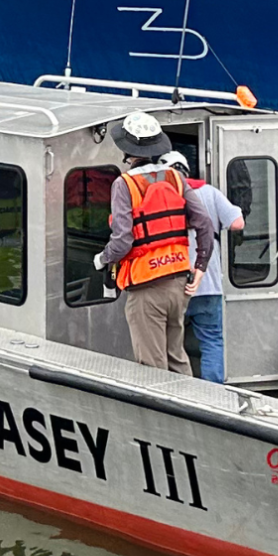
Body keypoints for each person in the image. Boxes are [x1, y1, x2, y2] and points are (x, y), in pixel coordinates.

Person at [96, 111, 213, 374]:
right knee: (177, 357)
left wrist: (102, 259)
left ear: (127, 149)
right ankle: (194, 407)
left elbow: (122, 240)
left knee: (153, 368)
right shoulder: (175, 177)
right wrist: (201, 265)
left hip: (147, 289)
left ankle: (166, 414)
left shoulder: (124, 184)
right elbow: (204, 223)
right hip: (179, 284)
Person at [167, 150, 246, 384]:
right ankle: (213, 391)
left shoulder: (160, 196)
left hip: (172, 281)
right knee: (212, 339)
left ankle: (175, 388)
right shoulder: (209, 192)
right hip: (208, 281)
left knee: (170, 340)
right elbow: (237, 223)